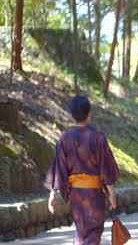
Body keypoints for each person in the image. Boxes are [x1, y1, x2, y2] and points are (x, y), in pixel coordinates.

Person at [46, 96, 120, 245]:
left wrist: (52, 195)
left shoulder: (65, 139)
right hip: (94, 194)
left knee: (81, 230)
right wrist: (112, 195)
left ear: (72, 115)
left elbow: (58, 168)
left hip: (76, 196)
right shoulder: (98, 138)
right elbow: (106, 169)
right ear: (89, 113)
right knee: (94, 231)